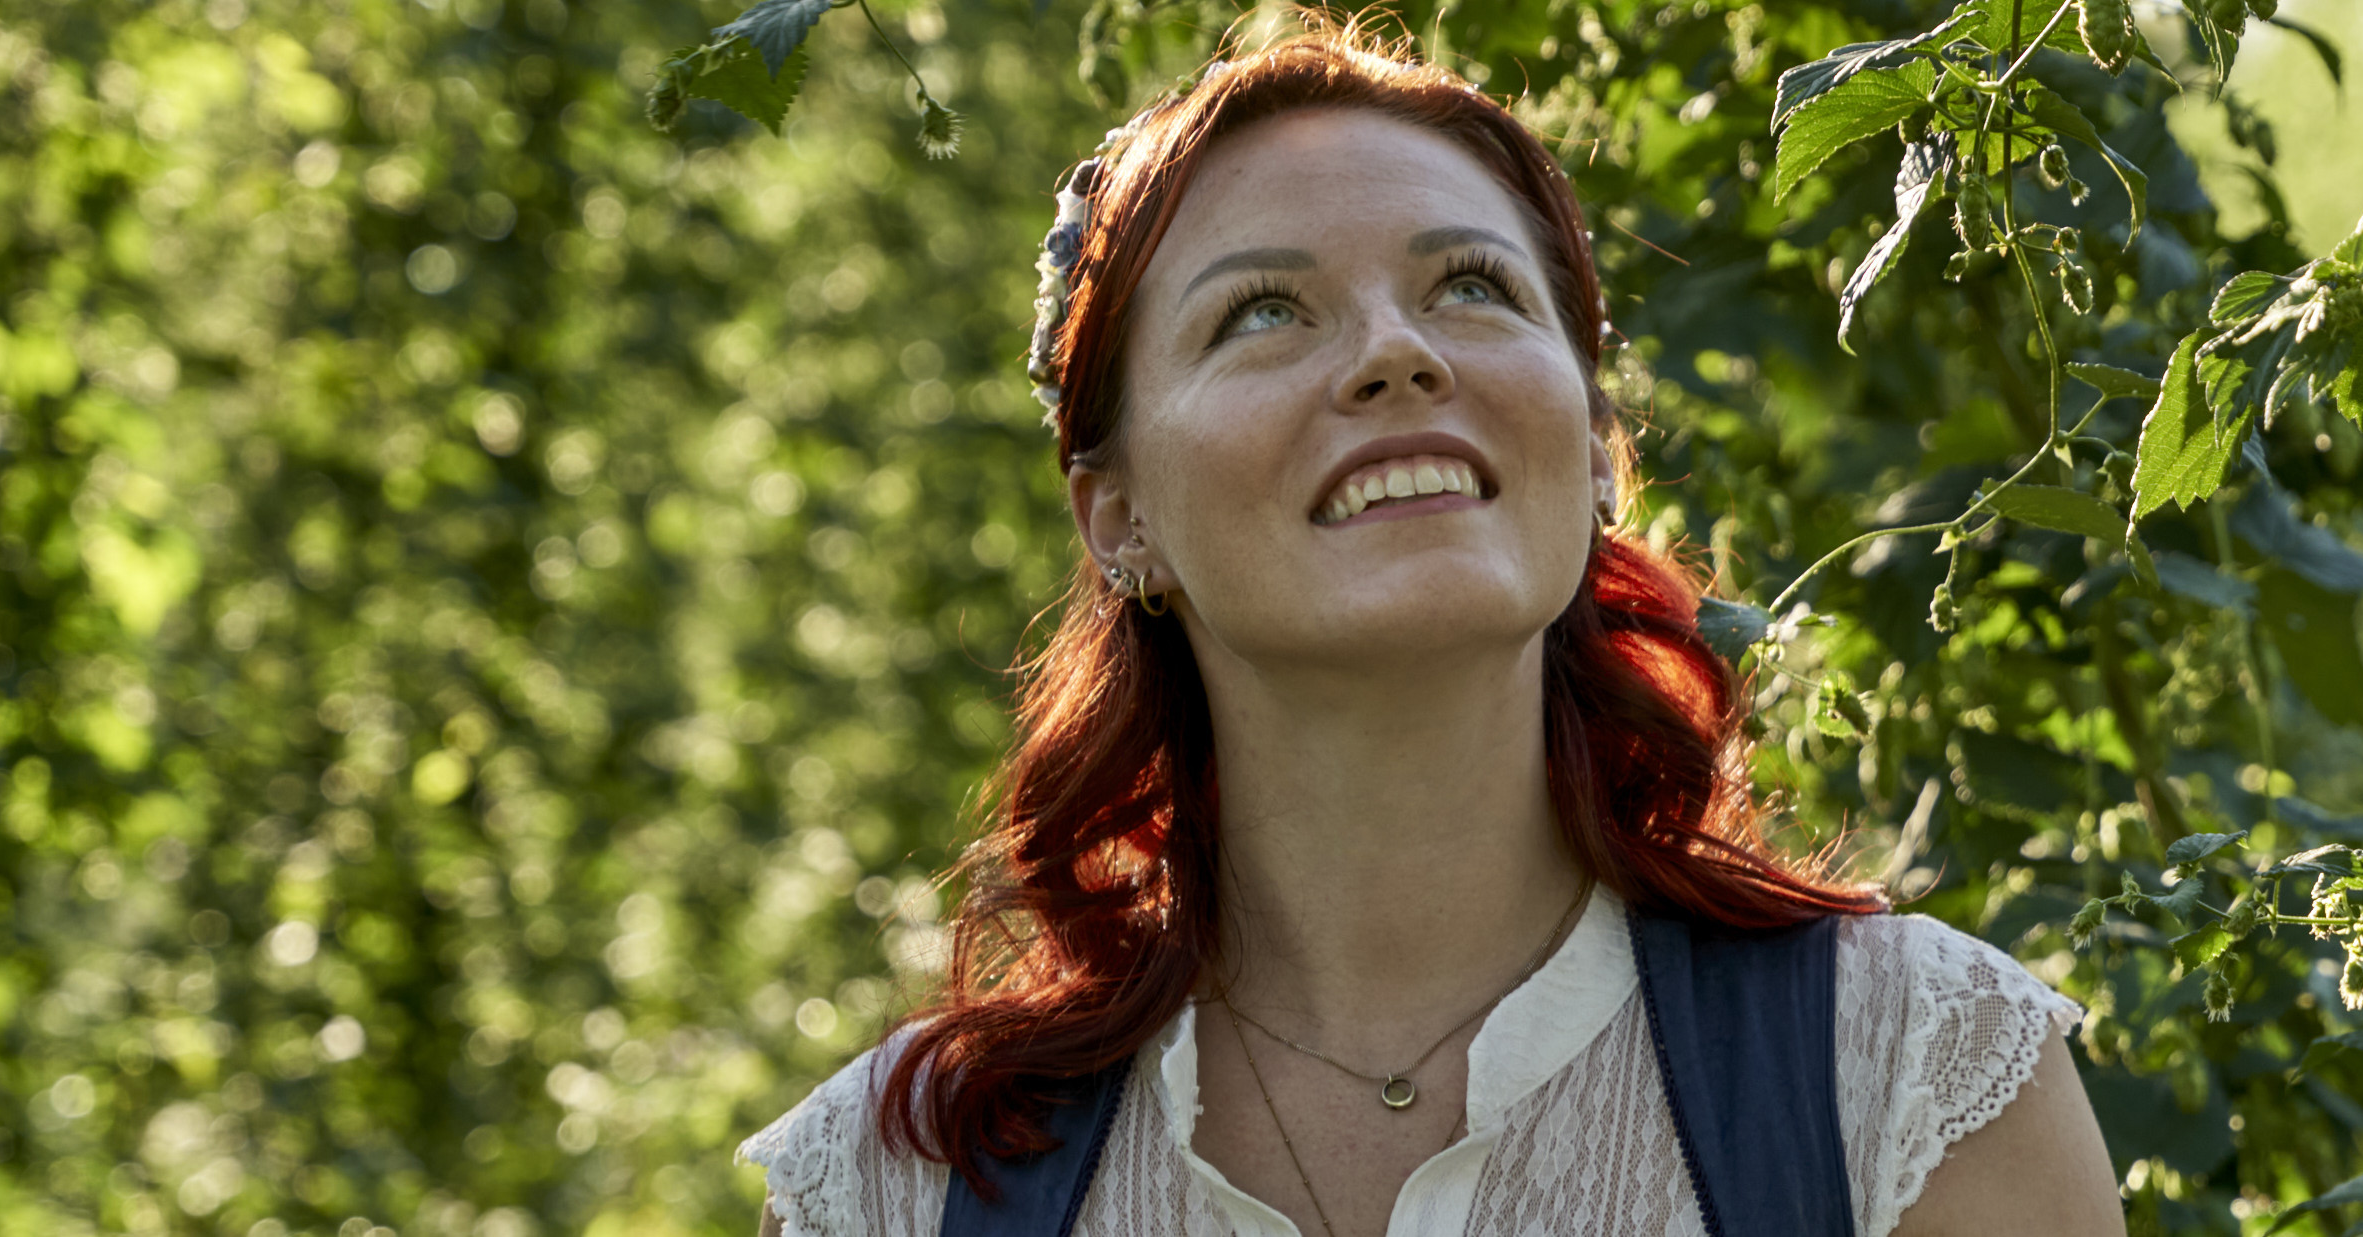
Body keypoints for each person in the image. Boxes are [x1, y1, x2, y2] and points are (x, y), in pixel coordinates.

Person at [736, 22, 2121, 1237]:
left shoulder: (1910, 1079)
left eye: (1472, 285)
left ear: (1591, 446)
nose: (1403, 353)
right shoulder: (900, 1185)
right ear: (1117, 518)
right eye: (1264, 311)